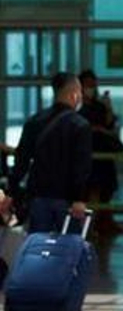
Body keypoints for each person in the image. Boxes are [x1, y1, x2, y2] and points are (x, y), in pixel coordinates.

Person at [11, 72, 93, 234]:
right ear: (74, 94)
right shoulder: (80, 125)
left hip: (38, 197)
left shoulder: (34, 121)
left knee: (40, 248)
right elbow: (81, 166)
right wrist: (80, 198)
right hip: (67, 199)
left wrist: (13, 190)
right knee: (67, 249)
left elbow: (22, 160)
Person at [79, 69, 123, 213]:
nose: (90, 89)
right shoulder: (76, 108)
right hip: (86, 154)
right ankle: (91, 225)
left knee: (104, 190)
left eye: (93, 85)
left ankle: (101, 223)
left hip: (102, 153)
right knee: (90, 191)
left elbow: (110, 125)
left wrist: (108, 107)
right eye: (87, 85)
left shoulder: (99, 106)